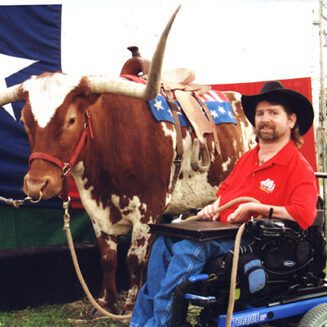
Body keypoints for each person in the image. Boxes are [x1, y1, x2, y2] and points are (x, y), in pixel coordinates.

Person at [130, 81, 318, 327]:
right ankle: (142, 322)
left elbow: (304, 214)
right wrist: (213, 207)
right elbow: (226, 194)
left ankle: (160, 323)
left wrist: (256, 209)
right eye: (261, 113)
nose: (265, 119)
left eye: (274, 113)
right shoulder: (248, 159)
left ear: (291, 121)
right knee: (162, 243)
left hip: (258, 240)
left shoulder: (298, 167)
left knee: (190, 248)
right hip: (221, 229)